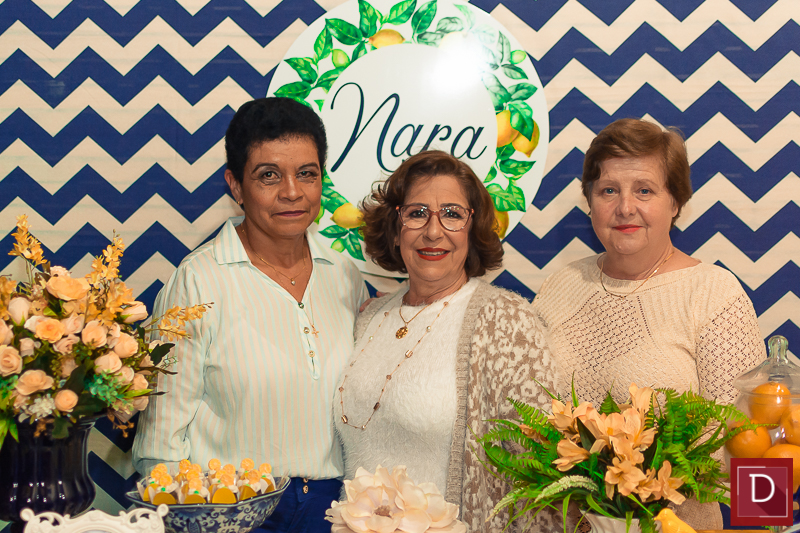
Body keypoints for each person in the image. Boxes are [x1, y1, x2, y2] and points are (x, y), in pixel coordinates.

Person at [132, 97, 368, 533]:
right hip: (233, 510)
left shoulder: (344, 275)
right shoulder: (198, 281)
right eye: (268, 176)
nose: (292, 192)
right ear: (236, 186)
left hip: (333, 511)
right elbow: (160, 440)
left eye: (307, 173)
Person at [531, 118, 766, 530]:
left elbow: (750, 446)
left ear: (675, 202)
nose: (625, 207)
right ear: (589, 201)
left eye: (644, 190)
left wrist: (765, 523)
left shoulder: (714, 294)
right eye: (608, 190)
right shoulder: (559, 285)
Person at [334, 150, 559, 532]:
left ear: (473, 228)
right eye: (417, 213)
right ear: (395, 228)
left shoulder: (506, 321)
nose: (433, 231)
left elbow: (542, 467)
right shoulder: (371, 317)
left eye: (452, 214)